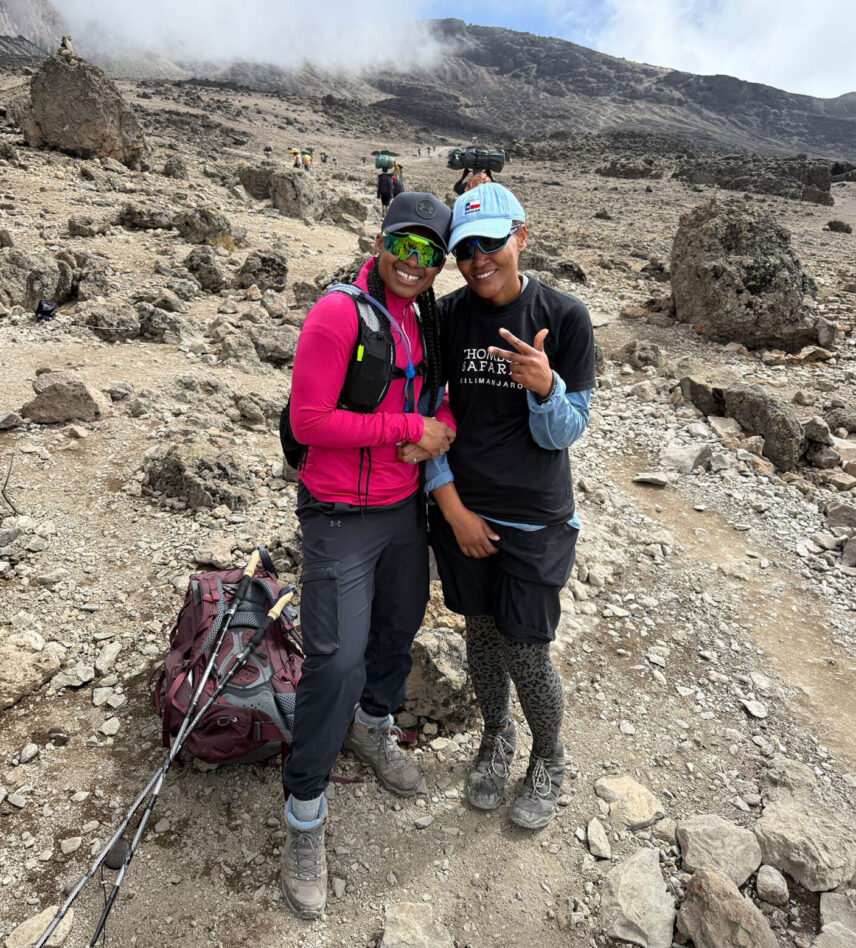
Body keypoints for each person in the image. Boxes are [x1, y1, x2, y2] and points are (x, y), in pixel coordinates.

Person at [281, 191, 455, 919]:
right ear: (380, 243)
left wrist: (439, 427)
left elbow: (439, 400)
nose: (414, 263)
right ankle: (304, 816)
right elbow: (309, 421)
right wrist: (405, 429)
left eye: (430, 253)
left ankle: (373, 727)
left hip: (402, 512)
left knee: (396, 631)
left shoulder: (424, 318)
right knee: (336, 661)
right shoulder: (337, 314)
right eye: (403, 246)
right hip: (340, 517)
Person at [399, 183, 595, 830]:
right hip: (464, 513)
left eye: (491, 242)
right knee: (481, 636)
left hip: (535, 519)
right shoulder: (445, 317)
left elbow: (565, 433)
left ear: (522, 237)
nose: (478, 259)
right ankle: (496, 734)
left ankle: (549, 753)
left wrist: (546, 388)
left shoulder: (565, 317)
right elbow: (429, 419)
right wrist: (453, 510)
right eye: (465, 249)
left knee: (527, 648)